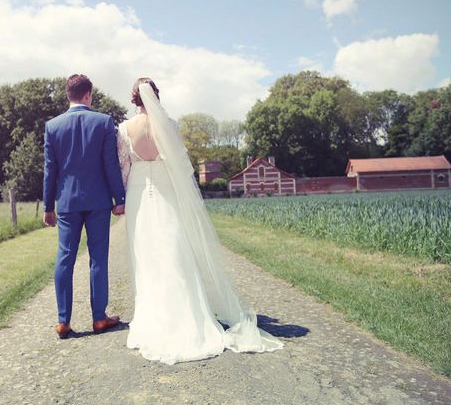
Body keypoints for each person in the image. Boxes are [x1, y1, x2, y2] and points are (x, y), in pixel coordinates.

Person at [117, 78, 283, 364]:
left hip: (138, 193)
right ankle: (188, 312)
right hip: (168, 189)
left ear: (134, 100)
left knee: (146, 254)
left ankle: (155, 317)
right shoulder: (169, 124)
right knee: (175, 247)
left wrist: (120, 197)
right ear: (156, 96)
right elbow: (180, 164)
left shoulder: (123, 130)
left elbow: (124, 166)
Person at [43, 73, 126, 339]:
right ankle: (99, 318)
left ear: (69, 95)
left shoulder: (52, 126)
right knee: (98, 257)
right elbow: (110, 164)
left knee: (65, 257)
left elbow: (49, 171)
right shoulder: (103, 122)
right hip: (99, 201)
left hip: (67, 202)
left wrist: (48, 206)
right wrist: (119, 199)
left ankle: (63, 321)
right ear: (88, 94)